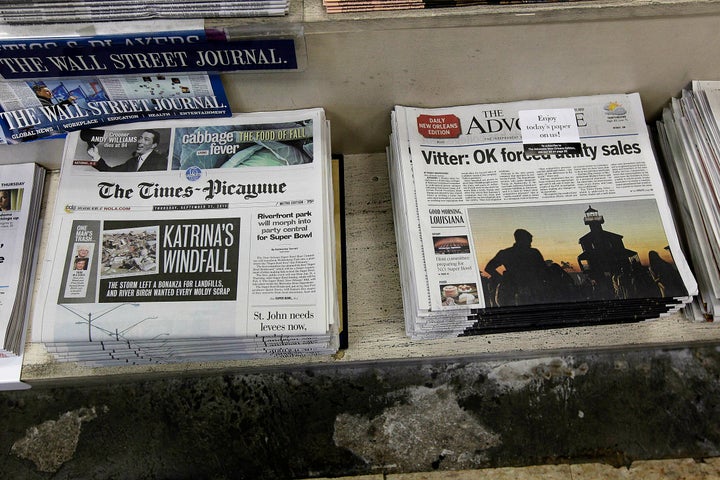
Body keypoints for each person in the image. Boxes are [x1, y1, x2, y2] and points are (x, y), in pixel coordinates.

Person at [484, 228, 549, 306]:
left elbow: (489, 268)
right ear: (522, 240)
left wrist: (501, 279)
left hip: (513, 292)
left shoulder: (506, 253)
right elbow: (544, 271)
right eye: (529, 240)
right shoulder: (533, 253)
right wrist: (502, 279)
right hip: (528, 293)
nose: (530, 243)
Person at [88, 130, 167, 172]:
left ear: (154, 145)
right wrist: (96, 156)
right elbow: (110, 171)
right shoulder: (132, 162)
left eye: (146, 139)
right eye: (140, 138)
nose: (140, 141)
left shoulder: (161, 161)